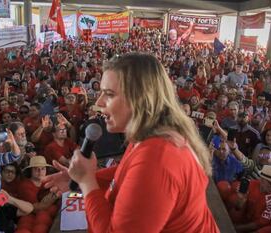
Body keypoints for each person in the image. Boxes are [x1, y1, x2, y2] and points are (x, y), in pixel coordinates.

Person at [43, 53, 219, 232]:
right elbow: (125, 172)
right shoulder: (150, 136)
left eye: (109, 94)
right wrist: (81, 178)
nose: (99, 102)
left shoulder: (158, 160)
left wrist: (87, 182)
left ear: (140, 99)